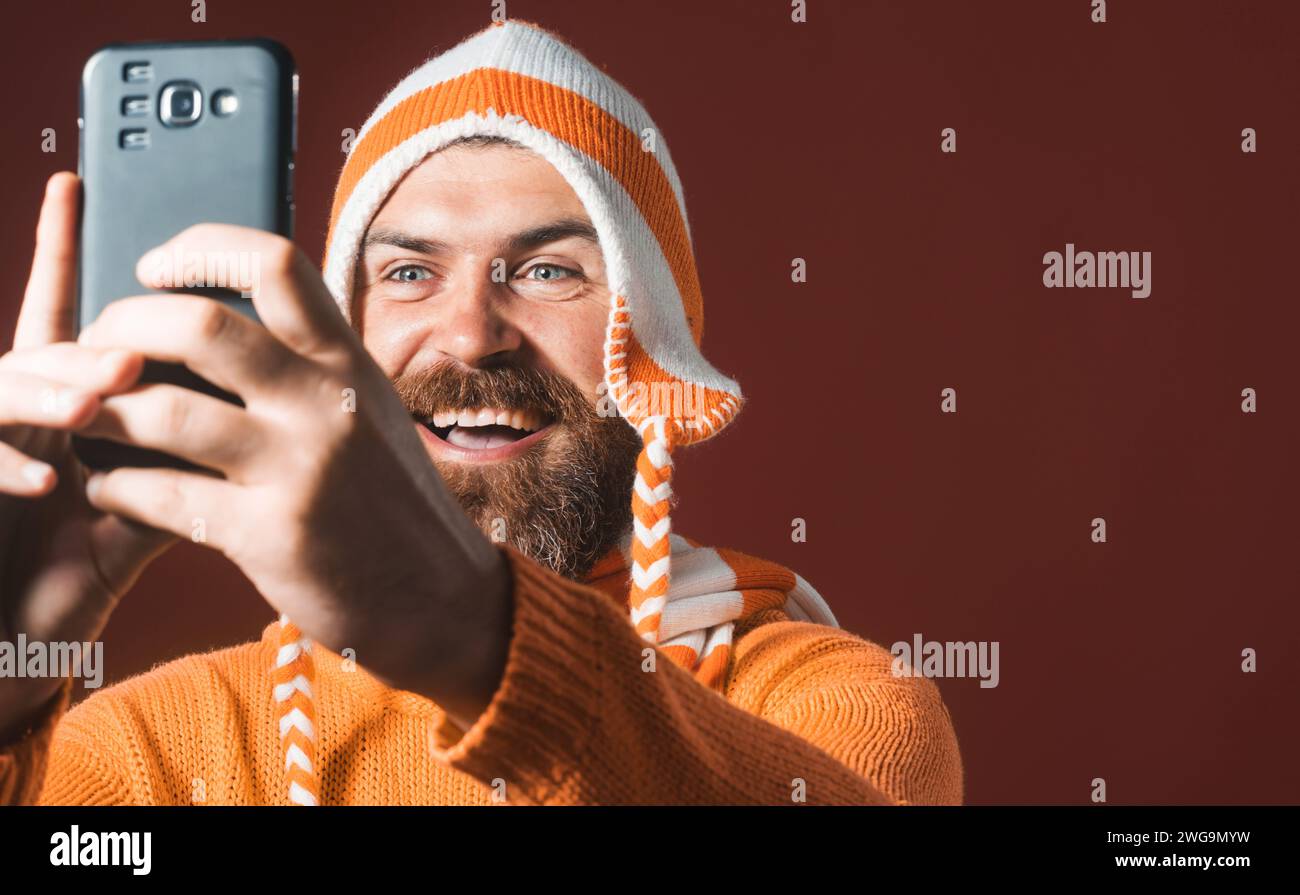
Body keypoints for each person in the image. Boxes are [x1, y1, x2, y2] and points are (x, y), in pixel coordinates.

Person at [0, 20, 963, 805]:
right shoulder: (156, 752)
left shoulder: (828, 710)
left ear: (654, 342)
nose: (471, 334)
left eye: (548, 271)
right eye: (410, 273)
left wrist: (462, 628)